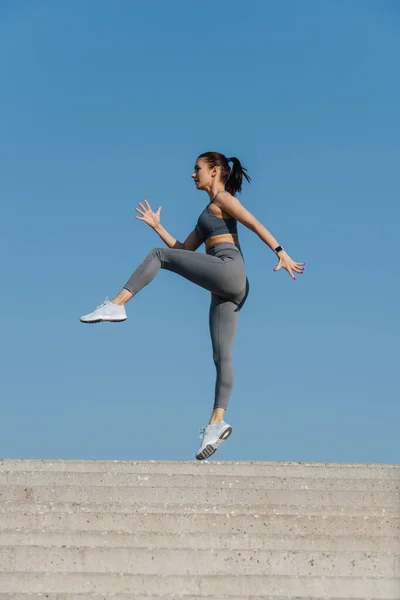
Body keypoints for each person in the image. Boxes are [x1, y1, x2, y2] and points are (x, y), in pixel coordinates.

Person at [80, 152, 305, 460]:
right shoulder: (207, 213)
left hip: (229, 270)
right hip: (231, 285)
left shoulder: (223, 199)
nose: (192, 174)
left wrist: (280, 251)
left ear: (215, 172)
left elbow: (253, 222)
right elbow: (183, 251)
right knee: (221, 355)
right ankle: (216, 423)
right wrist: (158, 227)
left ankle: (117, 304)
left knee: (157, 256)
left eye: (197, 169)